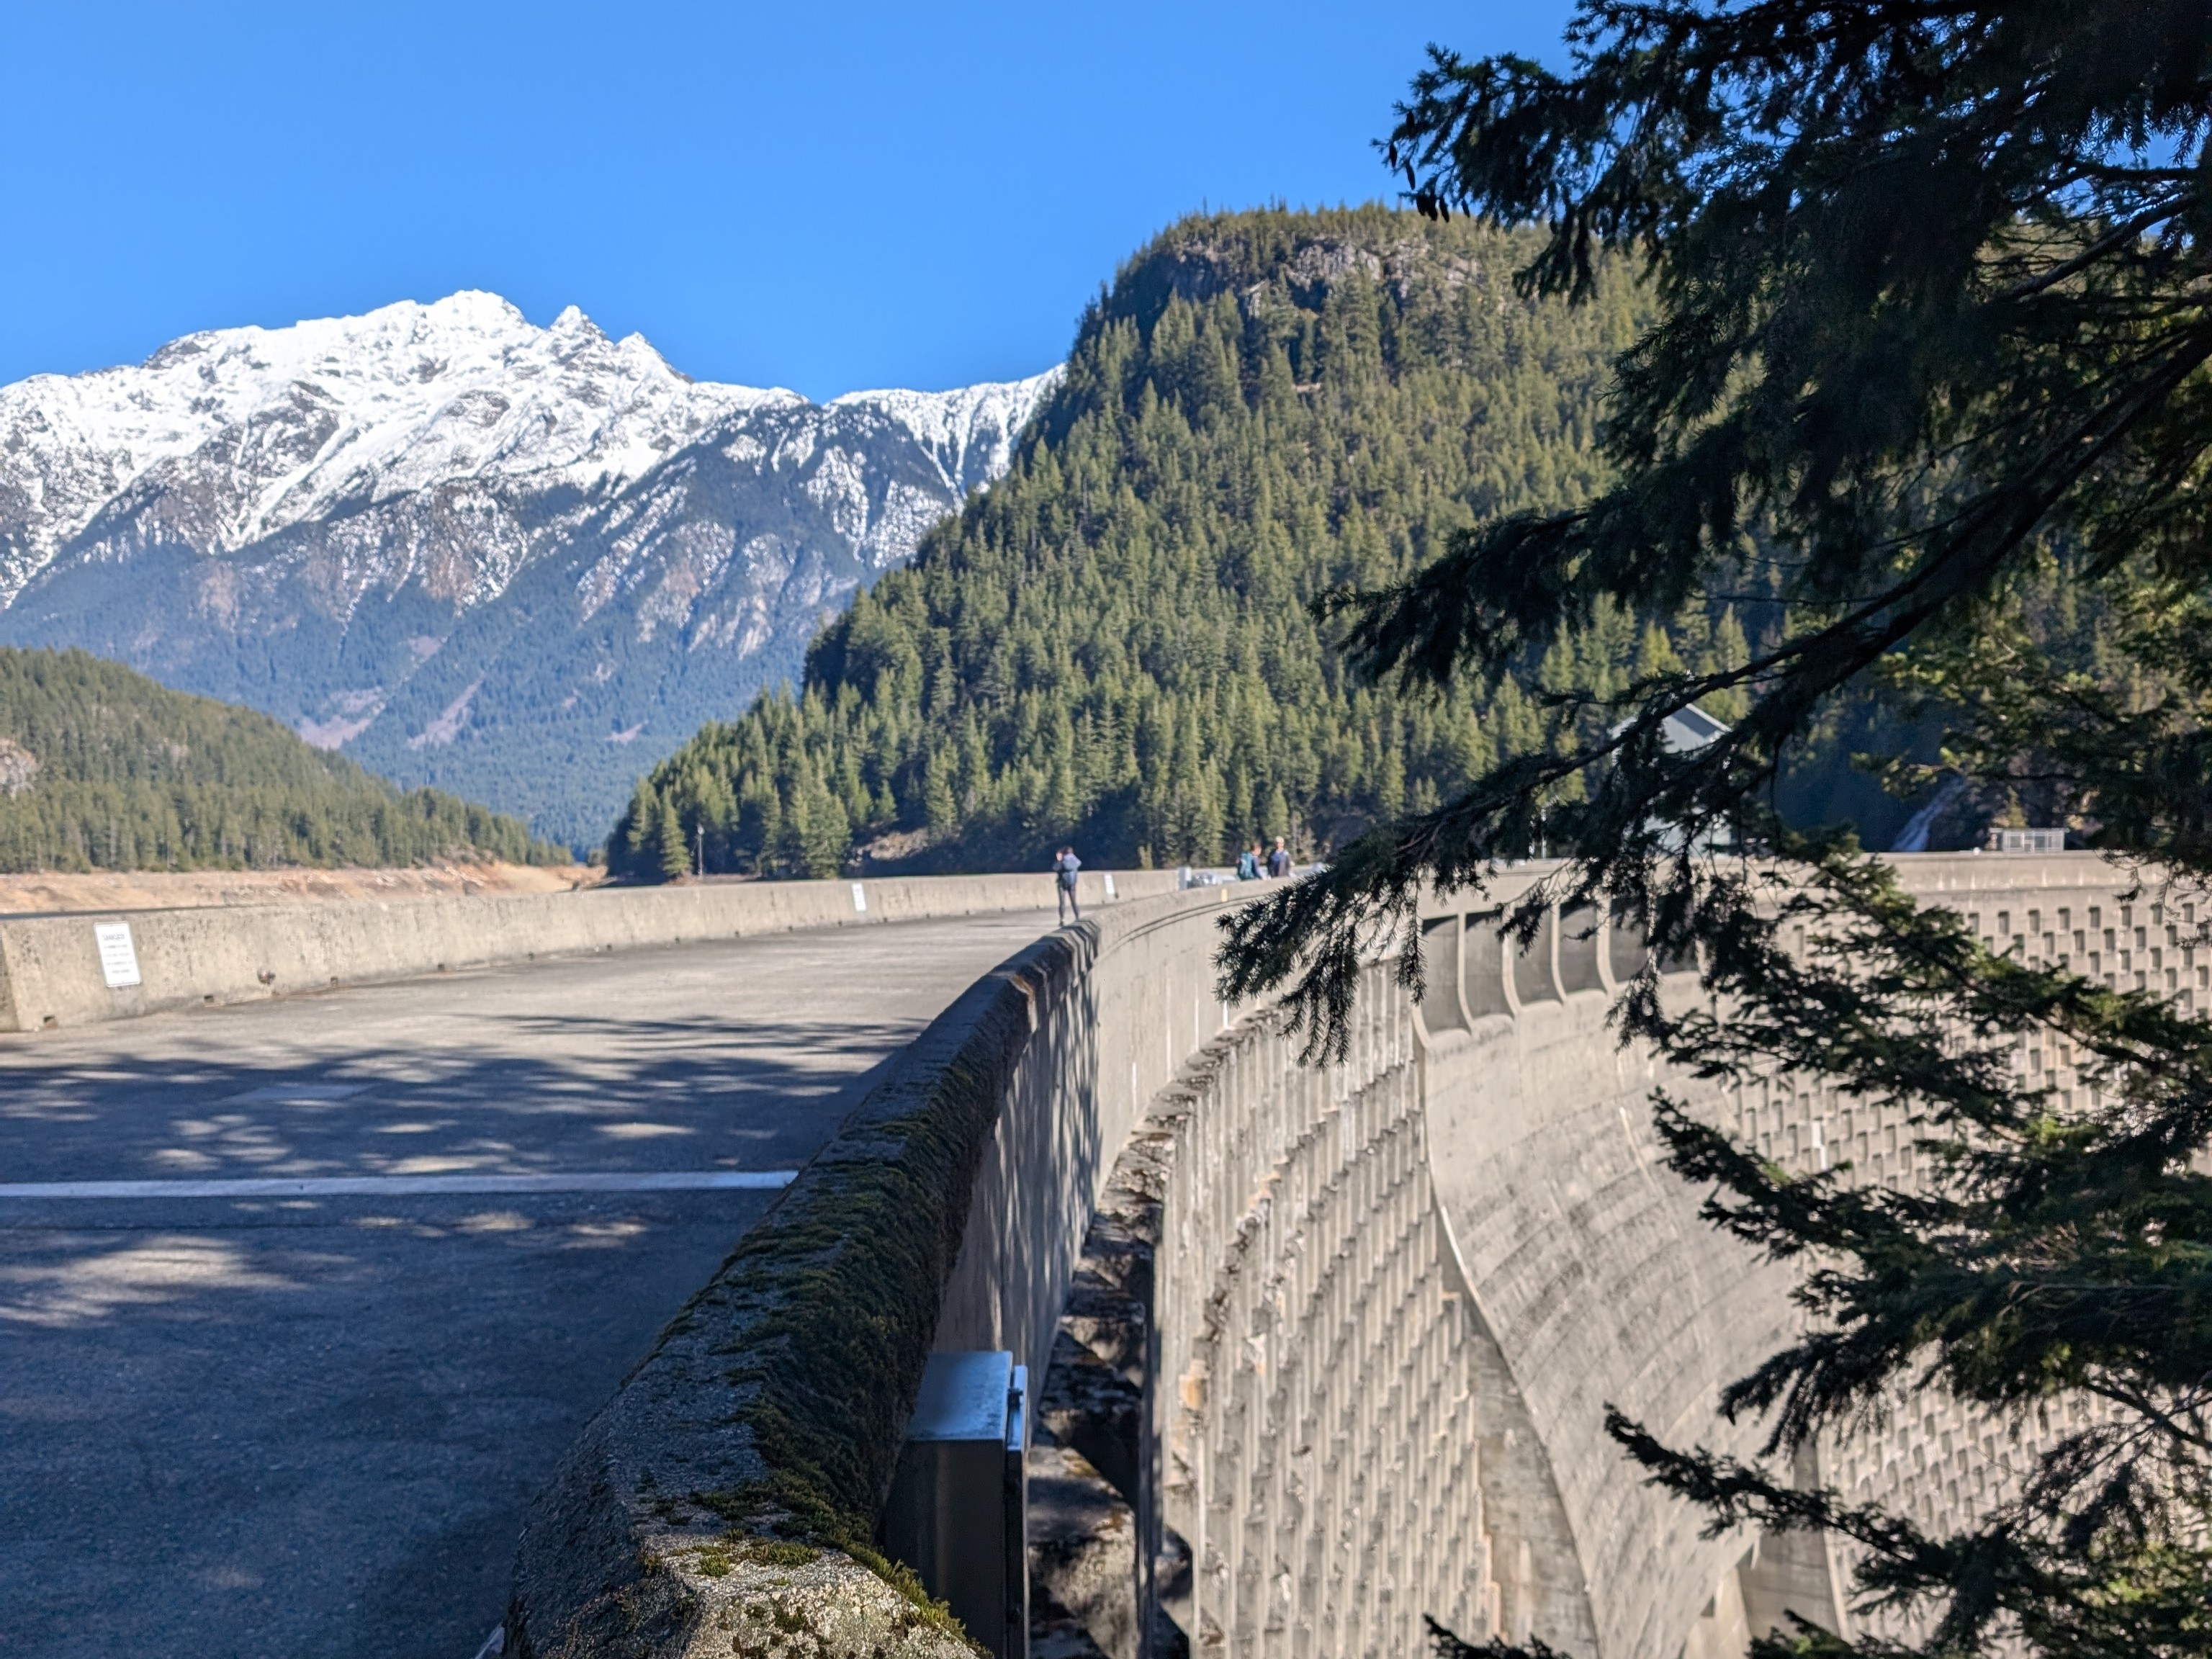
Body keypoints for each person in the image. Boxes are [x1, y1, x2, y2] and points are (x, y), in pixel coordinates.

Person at [1053, 845, 1082, 924]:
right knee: (1074, 902)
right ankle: (1077, 917)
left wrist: (1059, 860)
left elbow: (1055, 868)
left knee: (1062, 902)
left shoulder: (1063, 861)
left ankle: (1062, 919)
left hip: (1062, 883)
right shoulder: (1075, 861)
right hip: (1072, 883)